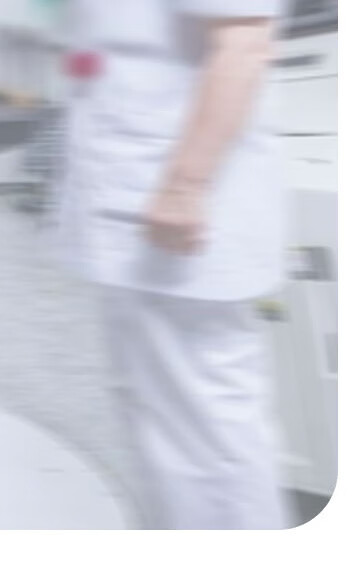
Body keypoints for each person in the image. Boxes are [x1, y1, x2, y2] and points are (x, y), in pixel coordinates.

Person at [57, 0, 292, 529]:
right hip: (135, 193)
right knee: (160, 414)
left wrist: (186, 185)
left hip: (180, 207)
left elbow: (244, 46)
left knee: (204, 427)